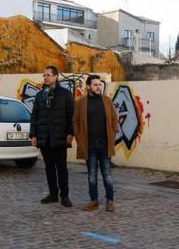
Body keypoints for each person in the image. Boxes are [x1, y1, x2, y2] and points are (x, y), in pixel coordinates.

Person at [73, 74, 119, 212]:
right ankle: (94, 201)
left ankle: (110, 201)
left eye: (99, 84)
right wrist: (79, 138)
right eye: (95, 84)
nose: (98, 87)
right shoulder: (81, 103)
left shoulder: (107, 101)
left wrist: (112, 132)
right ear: (88, 86)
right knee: (92, 174)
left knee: (107, 174)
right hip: (89, 144)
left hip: (105, 143)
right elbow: (75, 122)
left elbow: (114, 119)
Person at [30, 66, 75, 207]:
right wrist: (33, 135)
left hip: (60, 137)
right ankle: (53, 194)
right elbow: (34, 116)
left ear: (56, 76)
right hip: (44, 138)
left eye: (48, 75)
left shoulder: (65, 94)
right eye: (44, 75)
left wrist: (71, 133)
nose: (46, 78)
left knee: (61, 168)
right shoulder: (39, 95)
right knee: (49, 168)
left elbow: (71, 116)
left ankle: (65, 196)